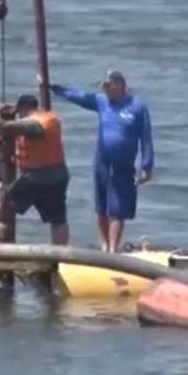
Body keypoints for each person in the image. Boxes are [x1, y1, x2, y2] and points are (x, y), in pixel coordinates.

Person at [47, 69, 154, 252]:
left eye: (108, 86)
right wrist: (54, 88)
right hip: (102, 160)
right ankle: (104, 246)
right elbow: (78, 96)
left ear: (119, 85)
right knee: (101, 206)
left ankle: (113, 249)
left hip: (123, 164)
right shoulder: (101, 102)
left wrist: (147, 165)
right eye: (103, 86)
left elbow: (145, 137)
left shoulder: (137, 107)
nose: (104, 90)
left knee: (118, 209)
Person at [0, 94, 70, 246]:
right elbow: (25, 114)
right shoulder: (49, 118)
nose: (18, 115)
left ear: (23, 109)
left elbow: (4, 126)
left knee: (5, 201)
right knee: (58, 218)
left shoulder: (31, 124)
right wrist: (12, 107)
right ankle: (60, 249)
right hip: (59, 175)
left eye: (18, 112)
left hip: (37, 177)